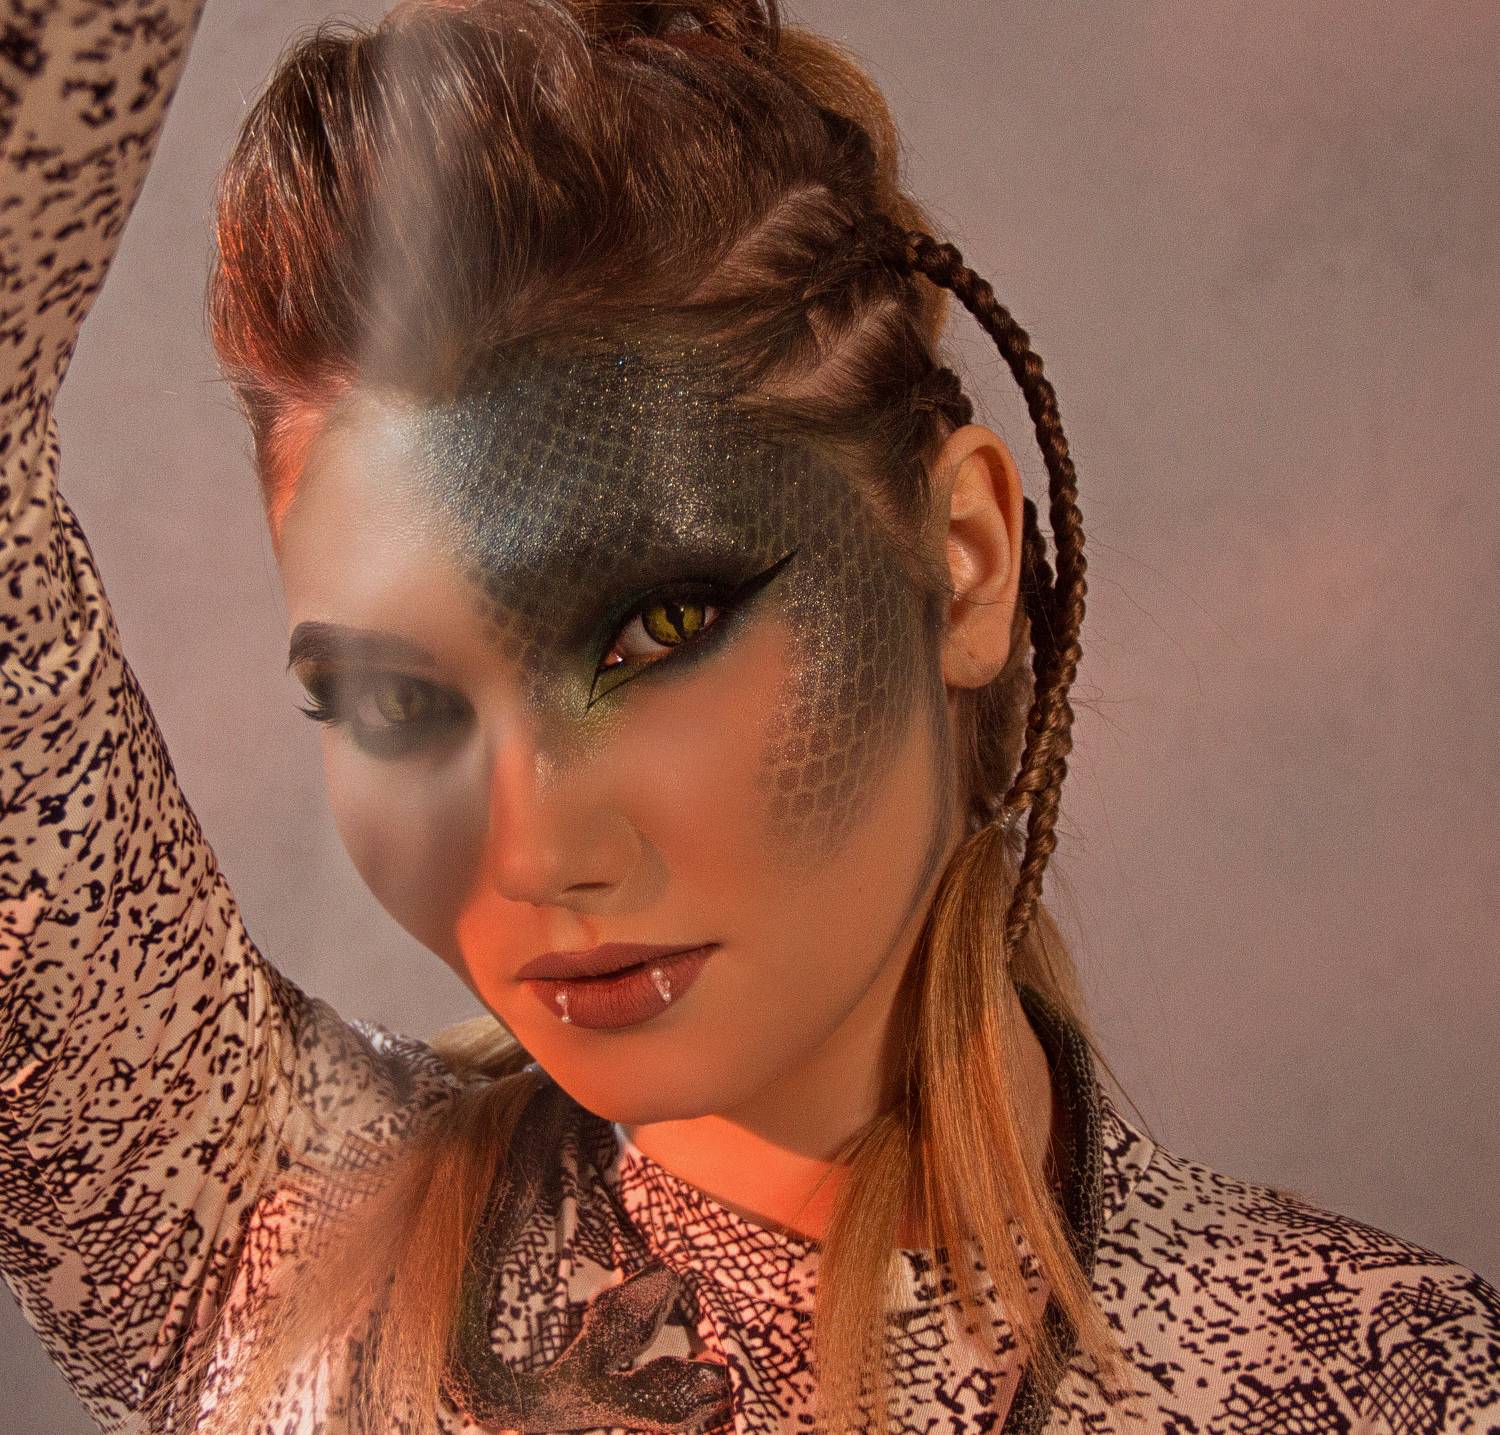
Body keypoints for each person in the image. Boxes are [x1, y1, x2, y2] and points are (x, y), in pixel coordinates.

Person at [0, 1, 1495, 1432]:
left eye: (658, 628)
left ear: (965, 560)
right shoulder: (261, 1238)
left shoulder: (1393, 1386)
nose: (534, 850)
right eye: (398, 702)